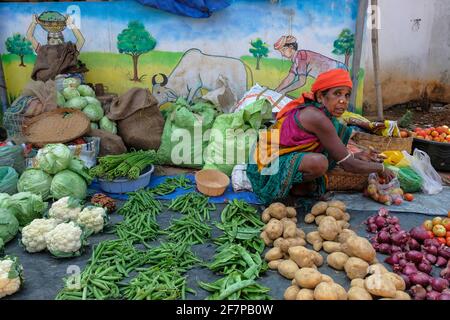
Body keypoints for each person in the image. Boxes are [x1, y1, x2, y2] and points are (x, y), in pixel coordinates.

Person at [247, 69, 395, 205]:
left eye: (347, 95)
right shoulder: (317, 118)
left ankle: (296, 188)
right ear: (320, 97)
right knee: (320, 162)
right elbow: (347, 164)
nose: (343, 100)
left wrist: (358, 155)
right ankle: (280, 192)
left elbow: (338, 153)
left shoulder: (324, 115)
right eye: (337, 94)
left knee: (316, 172)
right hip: (265, 167)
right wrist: (380, 168)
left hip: (275, 158)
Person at [274, 35, 348, 95]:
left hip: (338, 72)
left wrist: (284, 91)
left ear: (291, 47)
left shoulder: (301, 57)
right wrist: (276, 90)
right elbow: (289, 78)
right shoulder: (296, 59)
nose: (282, 54)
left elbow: (301, 81)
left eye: (283, 50)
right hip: (333, 74)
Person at [26, 14, 87, 82]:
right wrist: (34, 23)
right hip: (47, 86)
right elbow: (29, 36)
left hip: (66, 85)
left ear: (62, 39)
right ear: (48, 40)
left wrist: (71, 24)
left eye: (58, 38)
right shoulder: (43, 50)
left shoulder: (69, 49)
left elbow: (81, 40)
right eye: (52, 39)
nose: (55, 41)